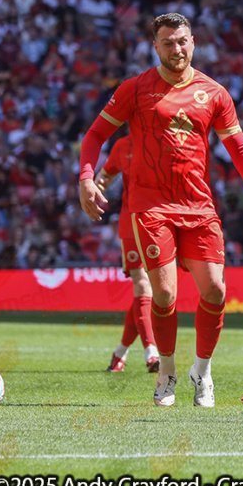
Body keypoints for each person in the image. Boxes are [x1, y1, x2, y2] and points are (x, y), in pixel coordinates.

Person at [79, 12, 243, 408]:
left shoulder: (214, 93)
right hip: (150, 206)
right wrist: (87, 177)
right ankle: (167, 371)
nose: (177, 48)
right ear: (155, 46)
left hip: (199, 205)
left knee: (216, 290)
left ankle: (201, 372)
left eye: (183, 41)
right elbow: (96, 134)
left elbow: (239, 149)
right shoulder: (135, 89)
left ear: (193, 42)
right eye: (168, 42)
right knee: (164, 293)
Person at [95, 132, 160, 373]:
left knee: (151, 294)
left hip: (160, 221)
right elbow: (104, 176)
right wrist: (92, 189)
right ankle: (152, 354)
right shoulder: (123, 146)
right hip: (131, 221)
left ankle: (120, 353)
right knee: (143, 285)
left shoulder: (165, 141)